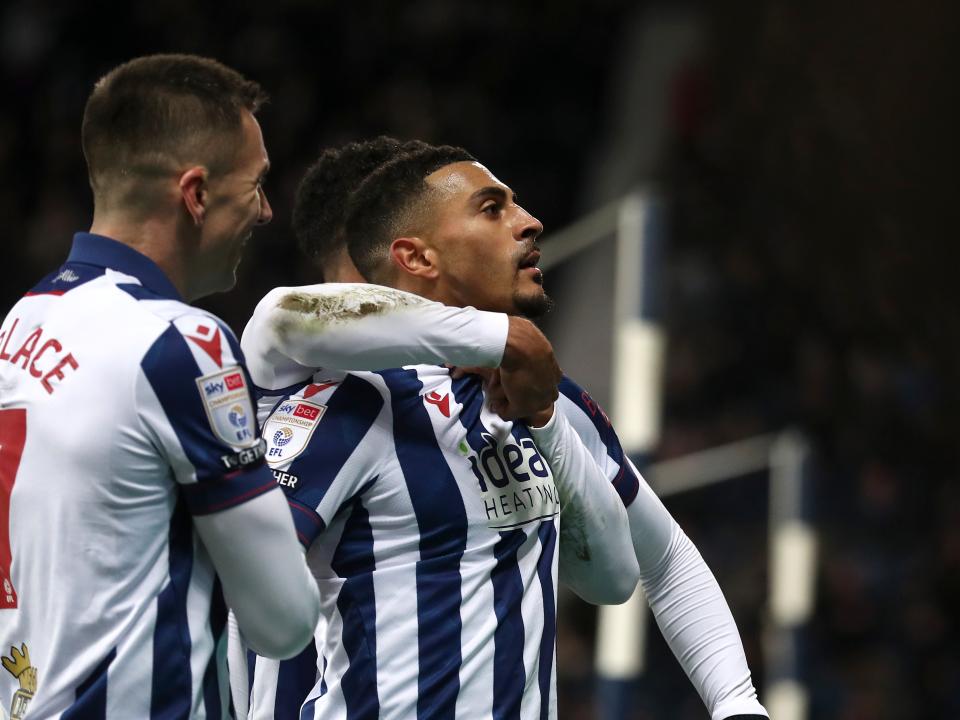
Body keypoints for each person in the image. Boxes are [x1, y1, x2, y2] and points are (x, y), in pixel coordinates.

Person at [237, 141, 768, 719]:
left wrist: (737, 703)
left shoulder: (551, 402)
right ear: (413, 257)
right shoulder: (345, 395)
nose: (530, 222)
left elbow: (636, 570)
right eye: (492, 208)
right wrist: (498, 336)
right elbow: (280, 321)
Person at [0, 54, 319, 719]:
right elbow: (283, 621)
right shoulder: (180, 340)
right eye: (257, 184)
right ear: (195, 193)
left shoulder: (25, 317)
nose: (266, 211)